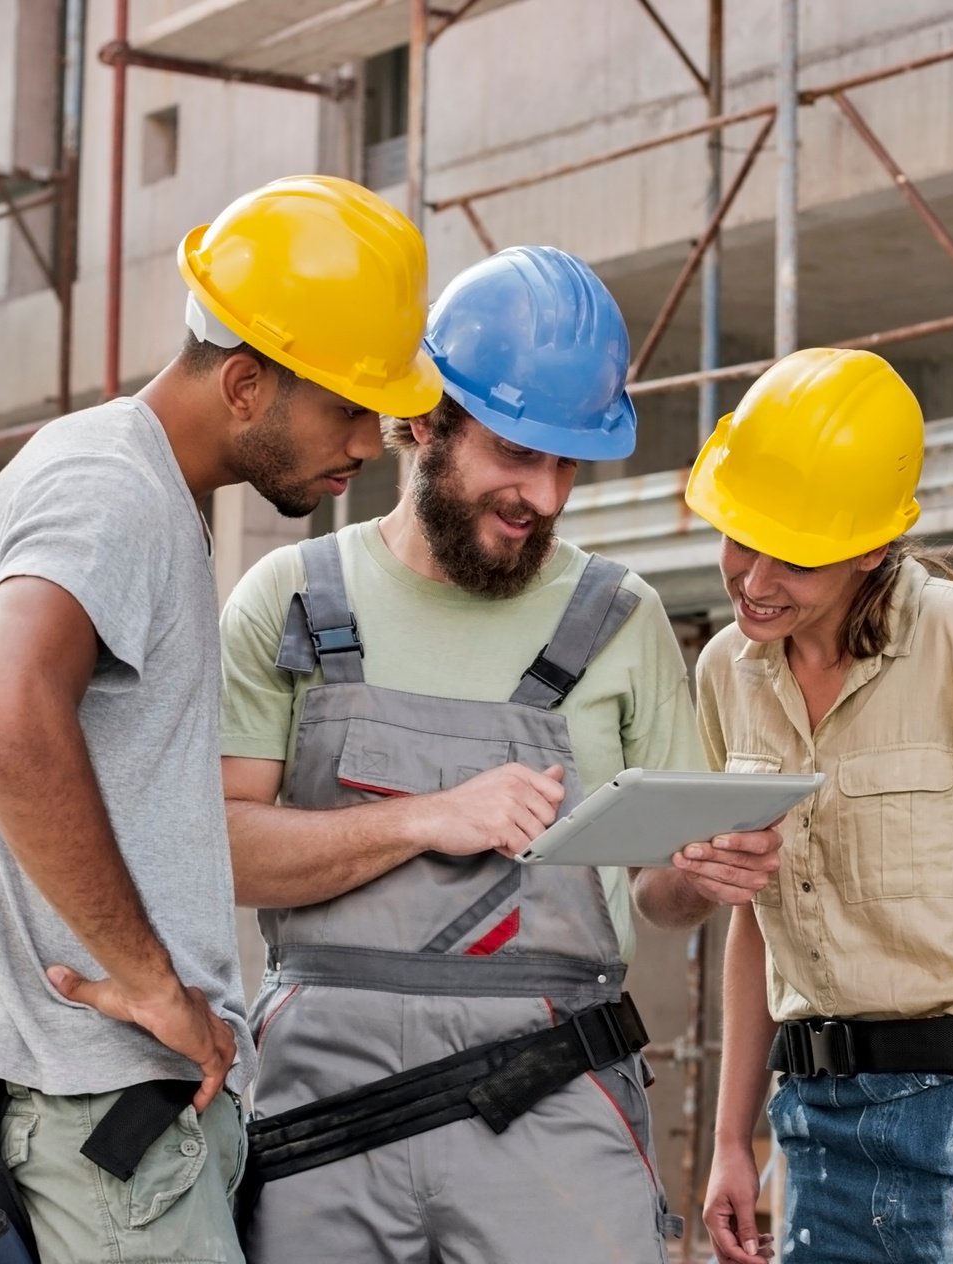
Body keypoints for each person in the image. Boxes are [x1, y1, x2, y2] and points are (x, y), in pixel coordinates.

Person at [217, 246, 781, 1264]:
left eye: (567, 463)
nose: (546, 496)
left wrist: (698, 877)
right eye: (516, 454)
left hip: (551, 1097)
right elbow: (219, 849)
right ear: (424, 423)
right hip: (327, 1111)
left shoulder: (620, 618)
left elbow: (656, 895)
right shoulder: (290, 600)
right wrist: (424, 816)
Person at [0, 174, 439, 1263]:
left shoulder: (116, 478)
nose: (372, 442)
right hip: (103, 1120)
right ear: (246, 383)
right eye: (349, 406)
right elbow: (5, 714)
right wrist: (156, 981)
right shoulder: (113, 490)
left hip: (83, 1116)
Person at [690, 348, 953, 1263]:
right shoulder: (728, 671)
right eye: (739, 538)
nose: (754, 580)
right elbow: (760, 917)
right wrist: (733, 1140)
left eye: (793, 557)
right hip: (813, 1124)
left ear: (870, 547)